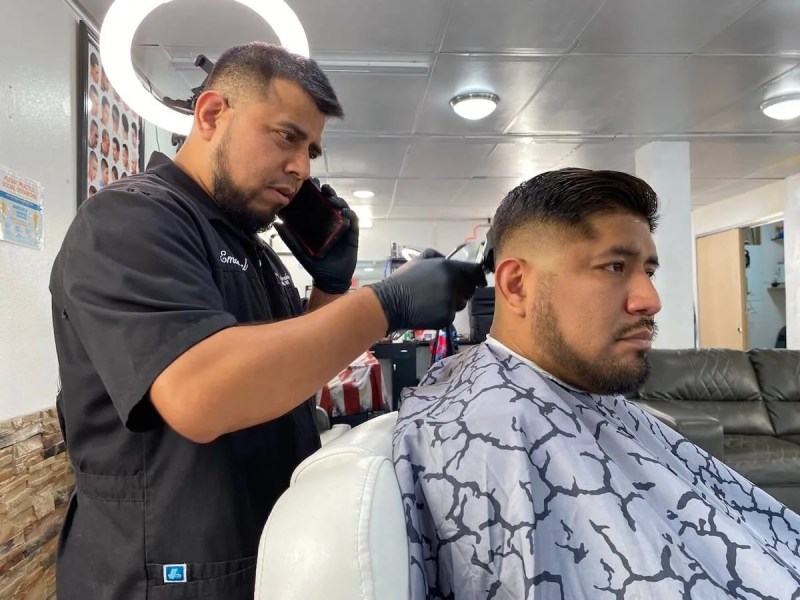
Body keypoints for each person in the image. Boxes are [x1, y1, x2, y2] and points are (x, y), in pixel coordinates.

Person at [51, 42, 484, 600]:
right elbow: (202, 393)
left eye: (311, 150)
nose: (301, 168)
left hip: (258, 559)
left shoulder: (253, 248)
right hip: (165, 576)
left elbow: (284, 384)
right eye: (286, 136)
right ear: (211, 115)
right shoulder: (132, 218)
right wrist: (383, 304)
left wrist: (330, 286)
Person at [393, 168, 800, 600]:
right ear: (516, 285)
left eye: (648, 270)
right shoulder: (492, 429)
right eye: (614, 266)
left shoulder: (575, 390)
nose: (651, 300)